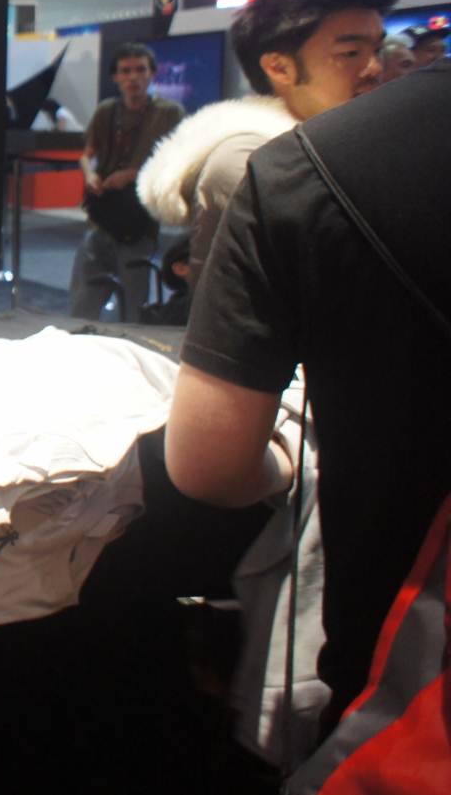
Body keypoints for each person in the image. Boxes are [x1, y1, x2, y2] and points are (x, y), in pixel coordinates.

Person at [164, 64, 451, 740]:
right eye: (350, 46)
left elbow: (208, 464)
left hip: (402, 665)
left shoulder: (302, 168)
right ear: (279, 62)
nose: (372, 64)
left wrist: (283, 466)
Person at [139, 0, 406, 288]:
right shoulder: (251, 162)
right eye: (350, 53)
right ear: (279, 68)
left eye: (377, 50)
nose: (374, 69)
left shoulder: (333, 148)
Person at [68, 43, 184, 321]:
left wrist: (132, 174)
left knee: (135, 305)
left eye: (140, 70)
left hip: (139, 219)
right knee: (84, 299)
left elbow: (176, 159)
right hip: (102, 216)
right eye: (125, 71)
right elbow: (87, 156)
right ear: (115, 77)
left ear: (152, 74)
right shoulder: (106, 111)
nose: (133, 77)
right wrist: (90, 175)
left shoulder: (169, 113)